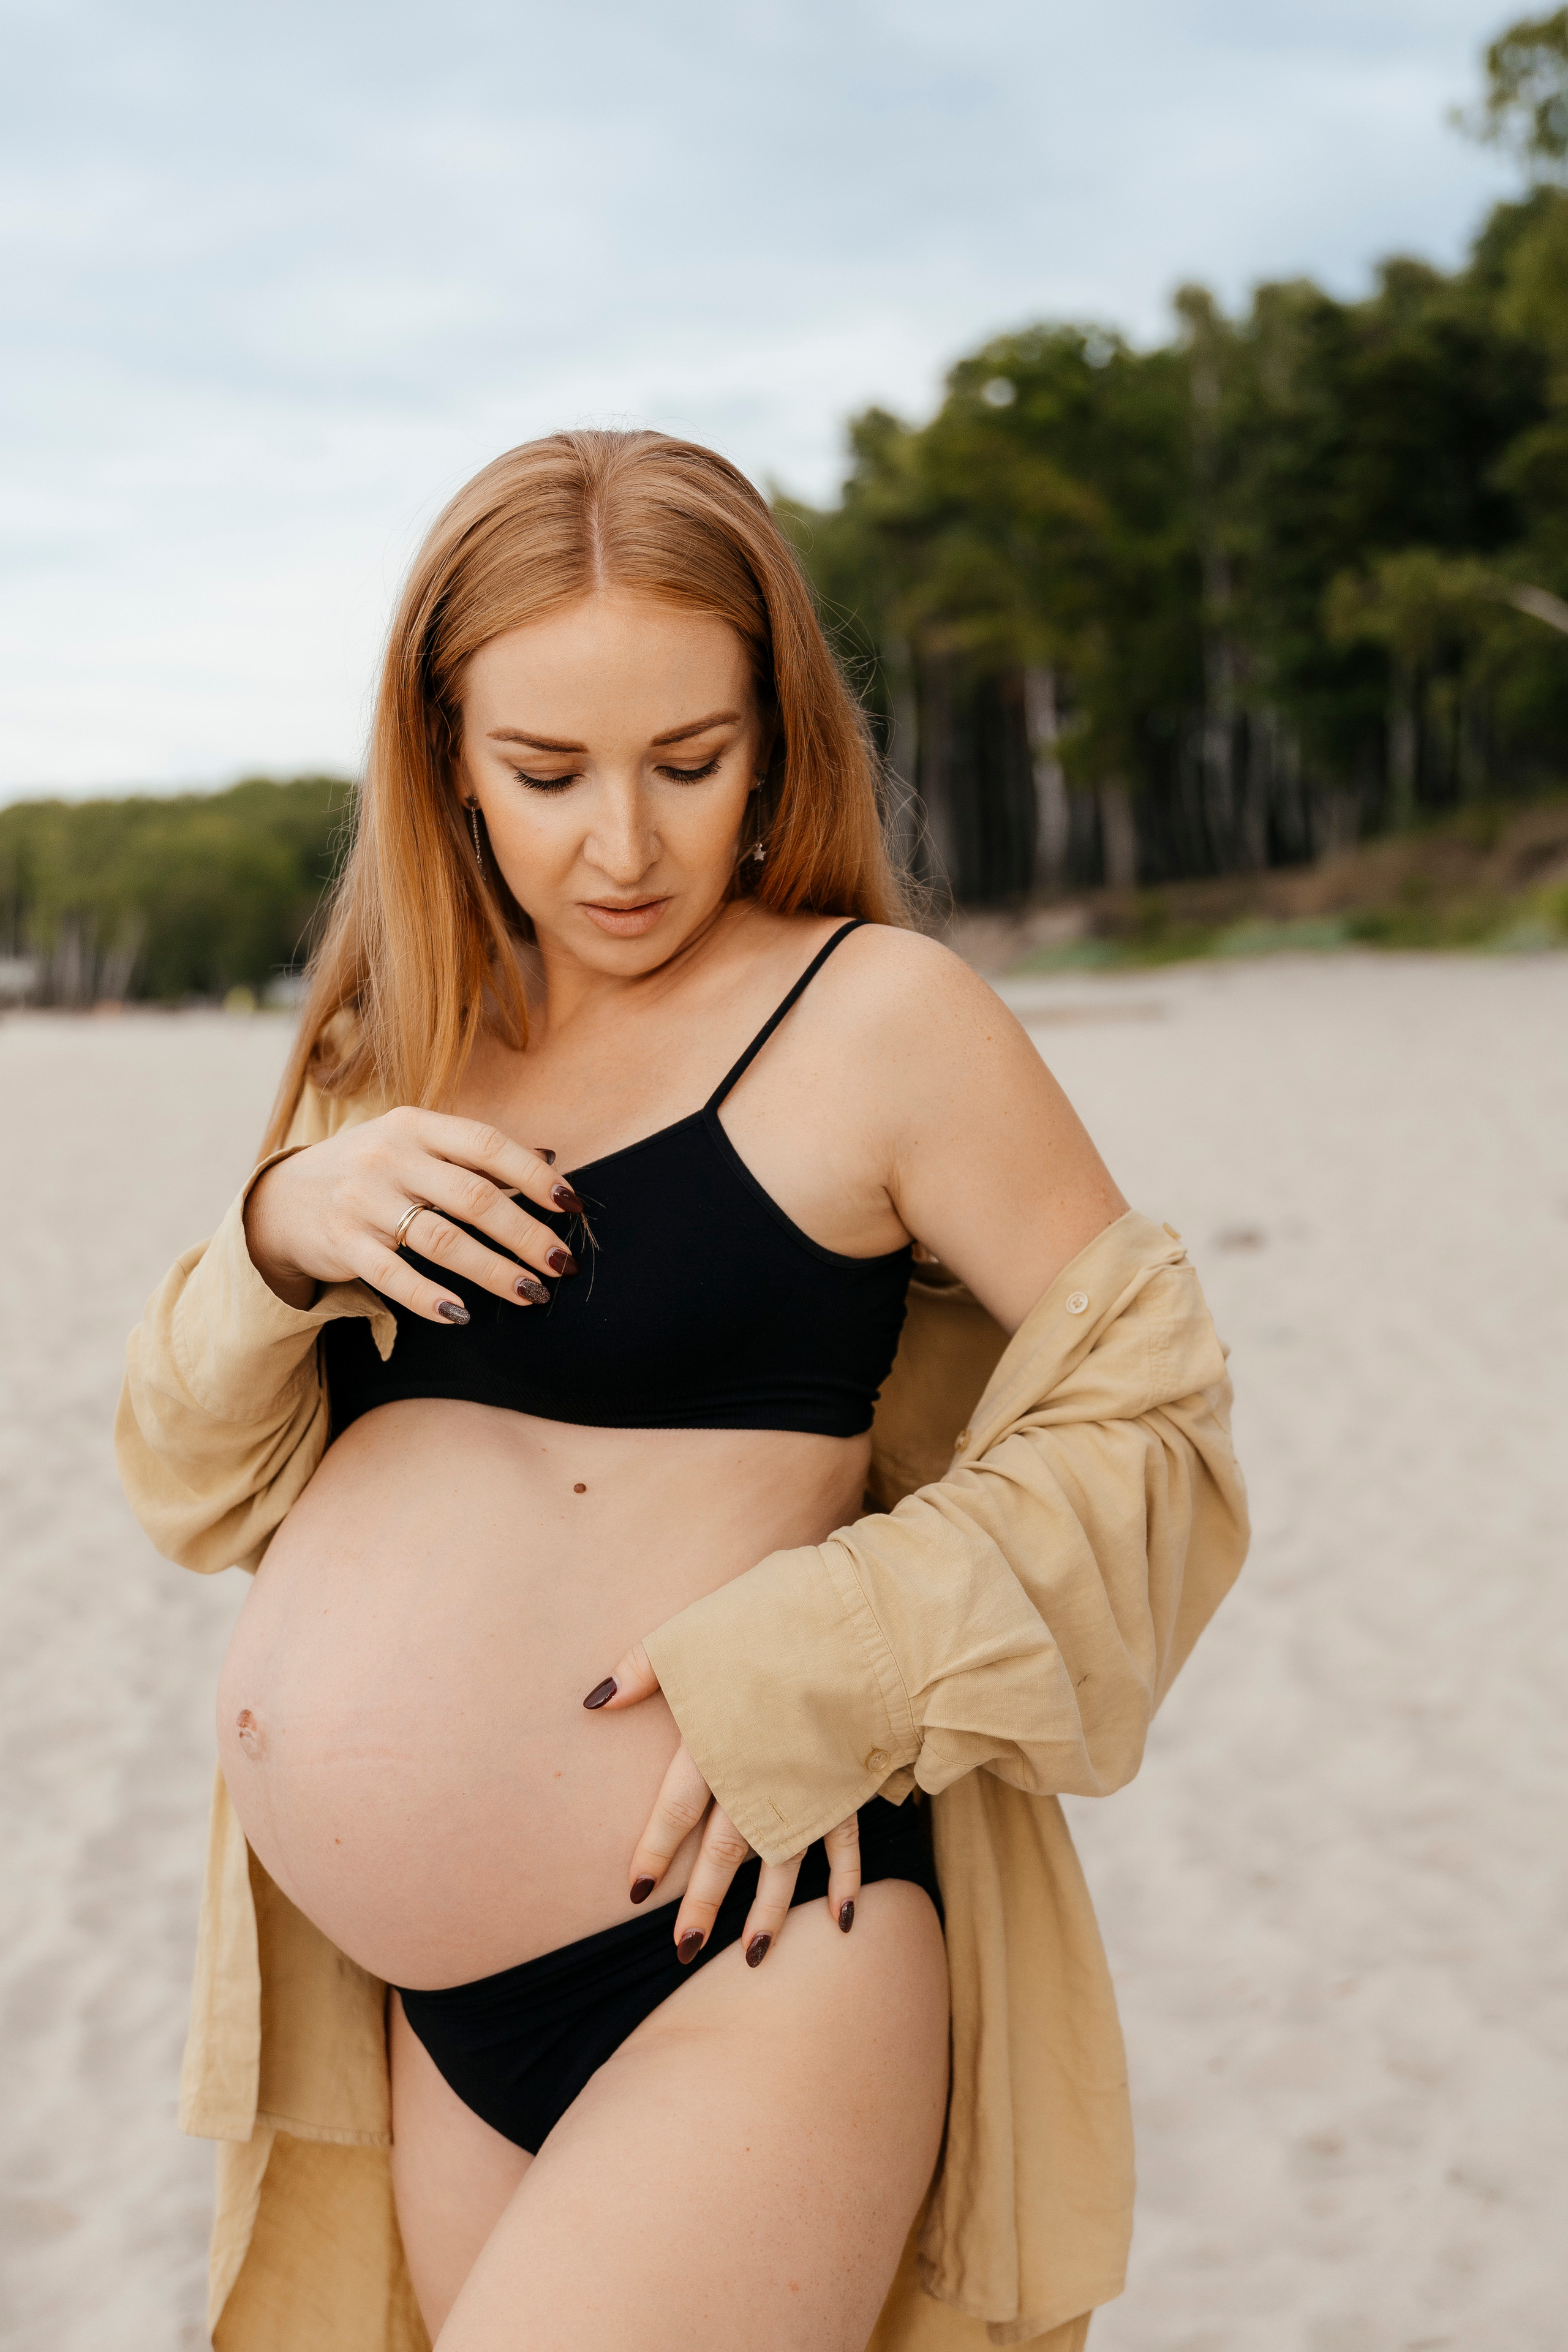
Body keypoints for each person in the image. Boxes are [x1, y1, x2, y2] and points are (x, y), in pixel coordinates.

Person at [116, 429, 1248, 2352]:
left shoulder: (878, 1020)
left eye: (690, 764)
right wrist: (282, 1231)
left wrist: (821, 1652)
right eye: (546, 775)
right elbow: (196, 1487)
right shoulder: (396, 1052)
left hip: (743, 1960)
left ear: (779, 741)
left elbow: (1157, 1438)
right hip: (436, 2019)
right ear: (447, 759)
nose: (621, 847)